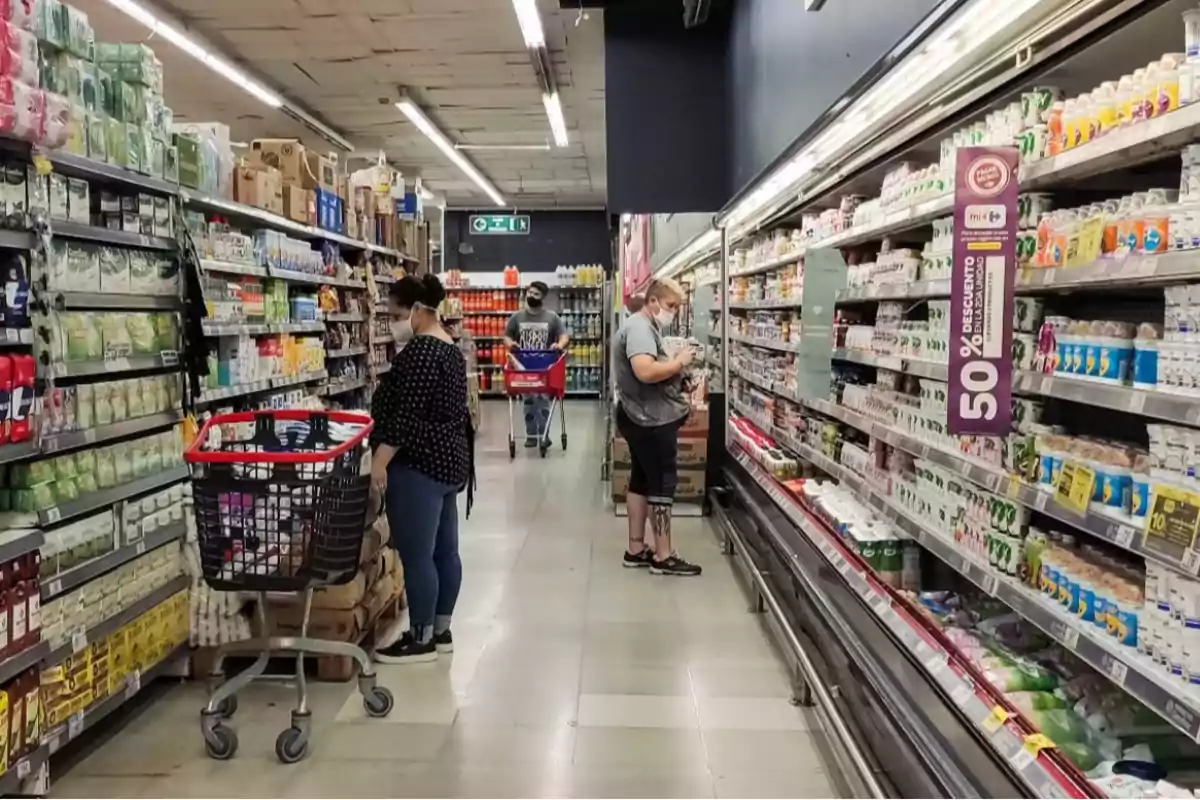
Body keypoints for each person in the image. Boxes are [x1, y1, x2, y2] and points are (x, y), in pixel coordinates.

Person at [369, 274, 474, 663]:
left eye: (396, 314)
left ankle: (420, 637)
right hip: (448, 462)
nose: (393, 323)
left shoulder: (419, 353)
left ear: (416, 310)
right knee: (446, 551)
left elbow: (405, 419)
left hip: (418, 466)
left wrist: (380, 461)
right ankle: (441, 630)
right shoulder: (448, 347)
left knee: (417, 555)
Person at [613, 277, 702, 576]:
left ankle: (635, 549)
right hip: (649, 420)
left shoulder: (645, 326)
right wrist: (678, 363)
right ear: (653, 302)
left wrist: (676, 377)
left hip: (637, 415)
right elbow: (645, 371)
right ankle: (663, 556)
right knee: (662, 484)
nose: (673, 312)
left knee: (640, 479)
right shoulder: (639, 328)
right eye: (670, 306)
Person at [503, 280, 569, 447]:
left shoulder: (552, 317)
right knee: (528, 401)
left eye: (536, 294)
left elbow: (564, 336)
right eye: (530, 293)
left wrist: (558, 345)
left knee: (543, 400)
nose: (531, 296)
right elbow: (507, 336)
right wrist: (511, 344)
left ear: (543, 298)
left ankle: (544, 434)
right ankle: (531, 436)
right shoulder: (516, 317)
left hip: (544, 368)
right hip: (523, 368)